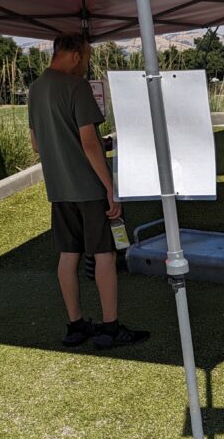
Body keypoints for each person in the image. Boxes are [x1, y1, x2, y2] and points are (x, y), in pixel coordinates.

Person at [27, 32, 149, 350]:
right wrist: (110, 188)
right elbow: (89, 143)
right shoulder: (77, 87)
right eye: (87, 58)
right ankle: (110, 328)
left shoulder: (35, 89)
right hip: (88, 187)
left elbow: (37, 144)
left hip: (58, 189)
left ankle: (76, 326)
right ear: (77, 55)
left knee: (68, 255)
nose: (86, 65)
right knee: (104, 253)